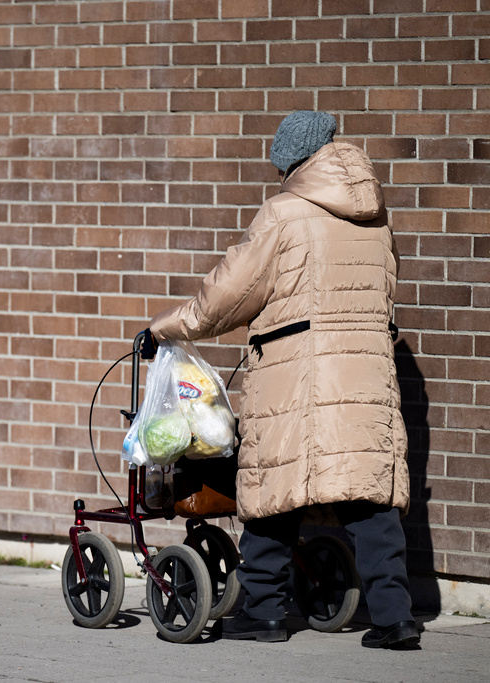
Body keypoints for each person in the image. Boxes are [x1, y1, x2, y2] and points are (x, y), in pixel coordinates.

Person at [139, 111, 418, 649]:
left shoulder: (284, 213)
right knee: (369, 495)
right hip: (366, 371)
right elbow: (386, 284)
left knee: (271, 489)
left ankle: (264, 612)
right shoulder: (377, 215)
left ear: (292, 162)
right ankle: (395, 617)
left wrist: (167, 327)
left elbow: (228, 292)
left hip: (297, 370)